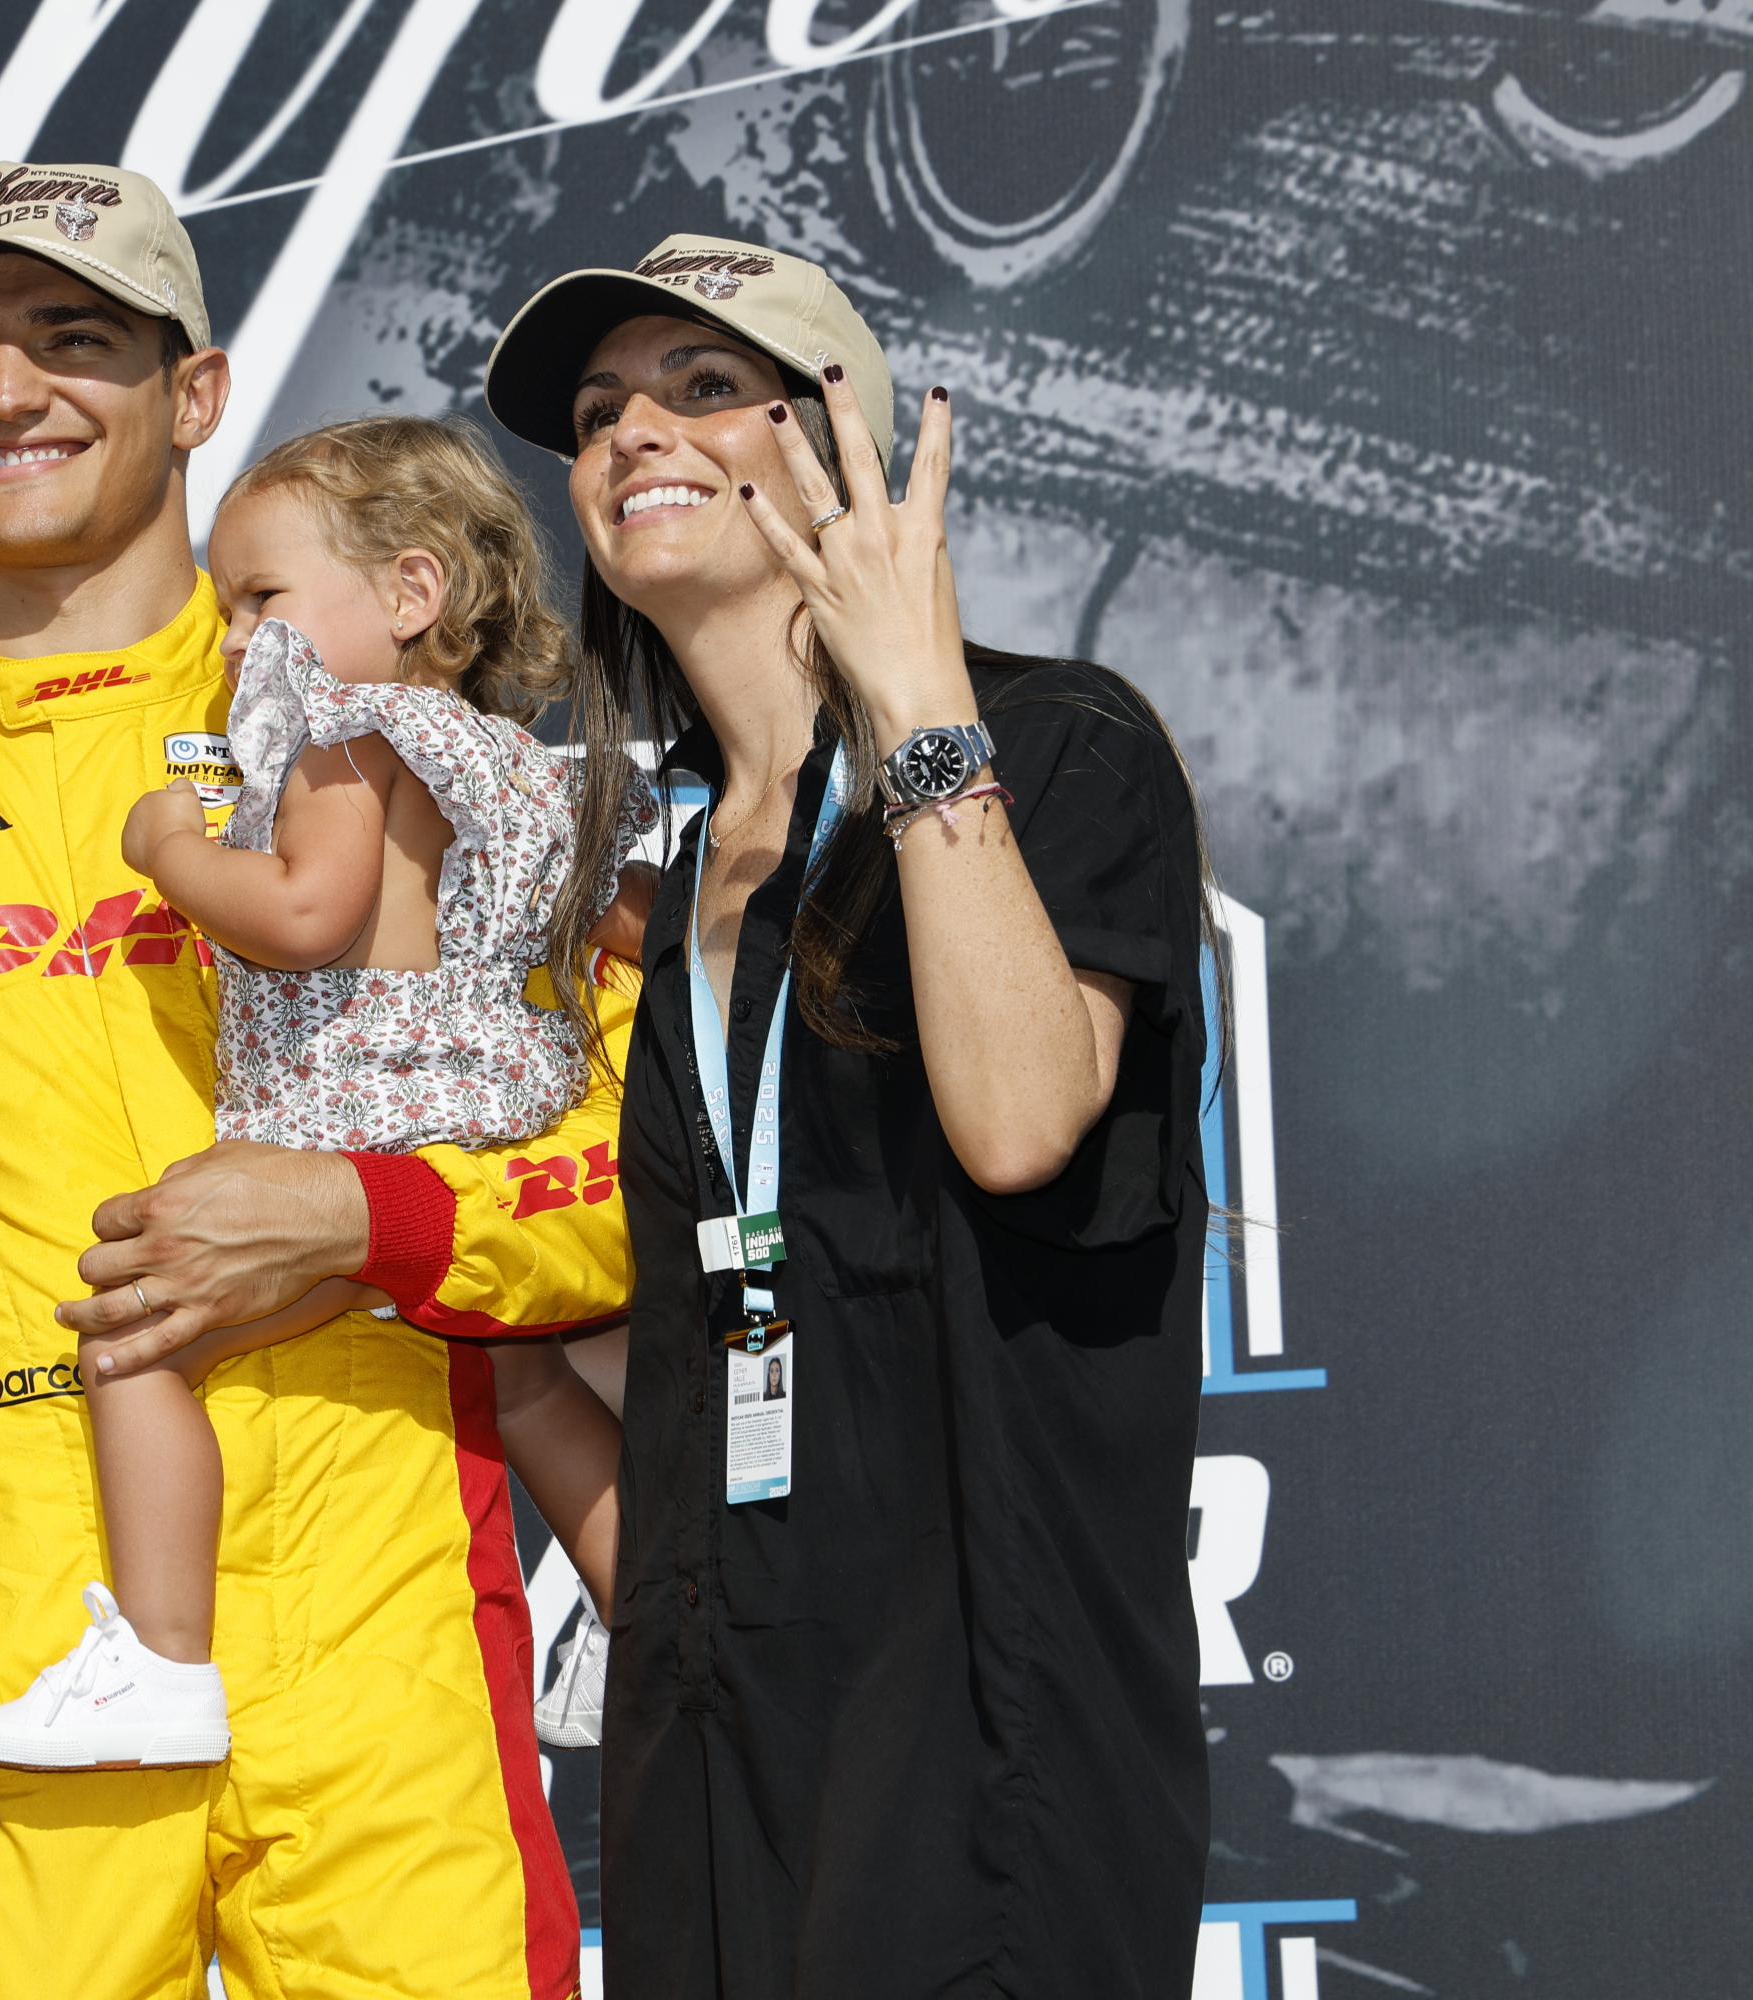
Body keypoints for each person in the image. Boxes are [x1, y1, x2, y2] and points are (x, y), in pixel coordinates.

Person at [0, 165, 631, 2000]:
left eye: (75, 339)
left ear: (199, 395)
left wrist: (357, 1213)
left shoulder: (391, 724)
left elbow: (629, 1194)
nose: (7, 393)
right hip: (25, 1644)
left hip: (383, 1584)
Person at [479, 234, 1211, 1996]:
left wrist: (920, 717)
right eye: (597, 413)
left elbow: (1026, 1120)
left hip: (984, 1736)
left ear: (834, 448)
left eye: (701, 387)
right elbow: (675, 1366)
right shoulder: (658, 897)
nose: (633, 429)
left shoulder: (1055, 745)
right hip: (715, 1760)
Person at [0, 416, 647, 1771]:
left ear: (409, 593)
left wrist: (167, 847)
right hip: (493, 1114)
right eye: (222, 607)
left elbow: (304, 913)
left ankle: (158, 1659)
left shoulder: (344, 736)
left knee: (136, 1333)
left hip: (362, 1122)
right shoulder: (516, 761)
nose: (229, 639)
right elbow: (620, 922)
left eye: (260, 597)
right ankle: (661, 1617)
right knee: (531, 1383)